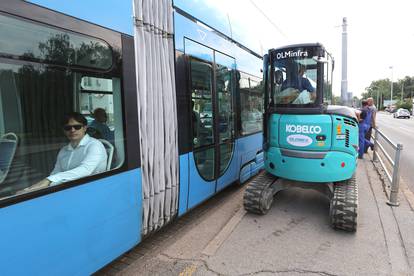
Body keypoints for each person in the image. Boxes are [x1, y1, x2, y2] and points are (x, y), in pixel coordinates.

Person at [27, 112, 108, 189]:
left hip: (91, 187)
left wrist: (49, 180)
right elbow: (56, 171)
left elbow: (85, 170)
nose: (72, 130)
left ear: (84, 128)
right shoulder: (64, 150)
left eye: (77, 127)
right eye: (68, 128)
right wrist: (44, 185)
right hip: (69, 188)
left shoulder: (94, 145)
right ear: (64, 131)